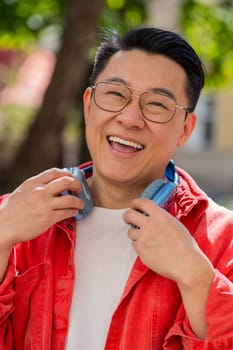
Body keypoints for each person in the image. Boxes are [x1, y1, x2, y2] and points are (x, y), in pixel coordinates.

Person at [0, 26, 233, 350]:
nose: (130, 117)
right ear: (88, 105)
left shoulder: (224, 241)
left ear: (185, 130)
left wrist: (197, 279)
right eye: (115, 94)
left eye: (156, 105)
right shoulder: (14, 216)